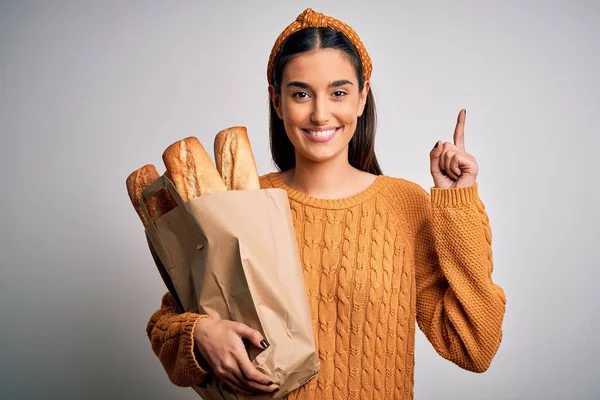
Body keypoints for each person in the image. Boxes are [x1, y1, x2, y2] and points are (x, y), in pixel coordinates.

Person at [146, 7, 506, 399]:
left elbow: (475, 346)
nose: (320, 114)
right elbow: (167, 322)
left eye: (338, 92)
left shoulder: (404, 203)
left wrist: (457, 202)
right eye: (301, 93)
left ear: (362, 97)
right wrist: (200, 334)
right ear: (277, 101)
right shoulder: (240, 200)